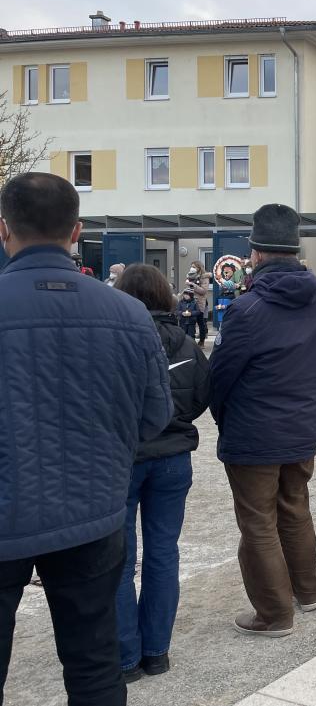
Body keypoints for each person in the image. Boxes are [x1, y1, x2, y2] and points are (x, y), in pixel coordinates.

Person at [0, 172, 173, 705]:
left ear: (4, 229)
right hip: (93, 510)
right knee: (95, 665)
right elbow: (155, 416)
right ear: (77, 231)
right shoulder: (129, 313)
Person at [209, 204, 316, 638]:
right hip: (303, 426)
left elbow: (219, 377)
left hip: (254, 432)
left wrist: (225, 419)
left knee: (258, 521)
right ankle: (307, 591)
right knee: (295, 506)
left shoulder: (247, 309)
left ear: (257, 253)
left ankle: (274, 614)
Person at [113, 264, 210, 682]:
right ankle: (156, 651)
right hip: (173, 455)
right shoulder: (186, 342)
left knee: (119, 559)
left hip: (125, 456)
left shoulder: (116, 340)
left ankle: (126, 656)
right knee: (163, 552)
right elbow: (202, 394)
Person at [185, 261, 211, 347]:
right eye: (191, 266)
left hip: (200, 302)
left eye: (194, 267)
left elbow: (203, 291)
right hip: (190, 302)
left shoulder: (204, 277)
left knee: (201, 322)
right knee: (190, 322)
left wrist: (193, 285)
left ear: (199, 268)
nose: (192, 268)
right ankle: (190, 340)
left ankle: (202, 341)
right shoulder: (191, 276)